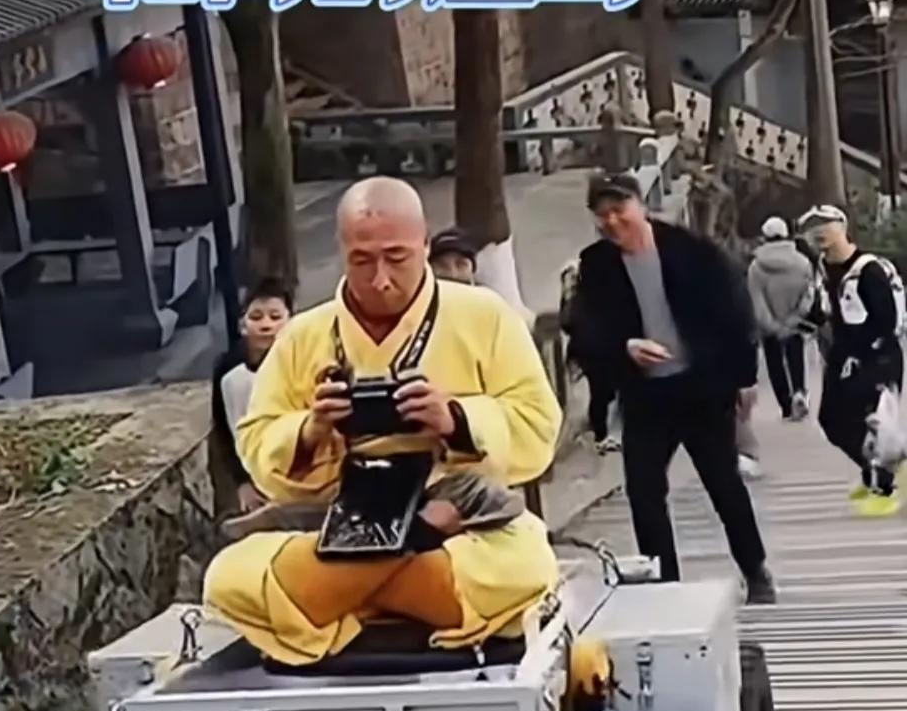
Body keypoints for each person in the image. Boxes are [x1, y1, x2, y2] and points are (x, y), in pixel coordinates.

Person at [204, 177, 562, 665]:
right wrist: (313, 430)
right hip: (337, 522)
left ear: (424, 245)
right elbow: (257, 440)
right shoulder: (303, 335)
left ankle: (342, 598)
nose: (380, 279)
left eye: (396, 258)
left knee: (526, 564)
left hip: (454, 516)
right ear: (341, 252)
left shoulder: (485, 316)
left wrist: (455, 418)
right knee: (227, 579)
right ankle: (406, 577)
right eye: (362, 261)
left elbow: (538, 424)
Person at [571, 171, 775, 603]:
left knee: (724, 484)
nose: (612, 221)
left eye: (619, 209)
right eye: (602, 214)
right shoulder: (596, 264)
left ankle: (755, 569)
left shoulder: (693, 251)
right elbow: (584, 326)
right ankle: (664, 584)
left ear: (640, 206)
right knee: (644, 492)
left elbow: (734, 312)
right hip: (646, 396)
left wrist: (745, 377)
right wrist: (625, 346)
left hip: (702, 389)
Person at [800, 204, 906, 517]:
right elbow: (824, 310)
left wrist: (863, 355)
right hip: (840, 355)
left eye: (826, 225)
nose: (819, 232)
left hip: (876, 357)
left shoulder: (868, 270)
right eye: (813, 227)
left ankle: (883, 486)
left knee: (873, 420)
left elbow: (885, 321)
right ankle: (876, 467)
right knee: (831, 420)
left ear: (843, 227)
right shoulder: (822, 268)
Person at [209, 278, 293, 518]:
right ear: (242, 325)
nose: (266, 325)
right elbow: (224, 428)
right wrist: (242, 483)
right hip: (251, 479)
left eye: (275, 317)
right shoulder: (228, 373)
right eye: (256, 317)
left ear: (291, 322)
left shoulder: (303, 362)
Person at [747, 216, 814, 421]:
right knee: (796, 354)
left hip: (769, 327)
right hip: (794, 323)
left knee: (775, 362)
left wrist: (772, 324)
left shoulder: (756, 267)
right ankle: (799, 390)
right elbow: (809, 294)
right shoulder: (802, 263)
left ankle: (786, 404)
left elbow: (756, 300)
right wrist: (795, 318)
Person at [559, 259, 619, 454]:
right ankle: (600, 433)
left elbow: (566, 324)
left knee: (601, 393)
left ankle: (599, 429)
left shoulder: (578, 298)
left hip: (589, 351)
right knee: (602, 393)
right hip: (595, 352)